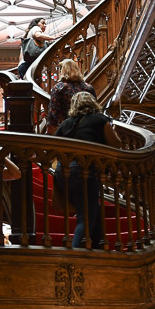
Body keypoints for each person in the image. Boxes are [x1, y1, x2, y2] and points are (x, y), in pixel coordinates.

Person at [54, 91, 122, 249]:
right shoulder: (99, 119)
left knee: (93, 214)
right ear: (92, 103)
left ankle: (97, 252)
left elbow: (53, 145)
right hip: (85, 172)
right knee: (86, 217)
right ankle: (75, 259)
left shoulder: (66, 123)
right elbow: (116, 144)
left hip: (63, 173)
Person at [46, 58, 95, 132]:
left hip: (69, 129)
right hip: (90, 128)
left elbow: (53, 114)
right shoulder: (88, 87)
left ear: (62, 71)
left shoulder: (59, 88)